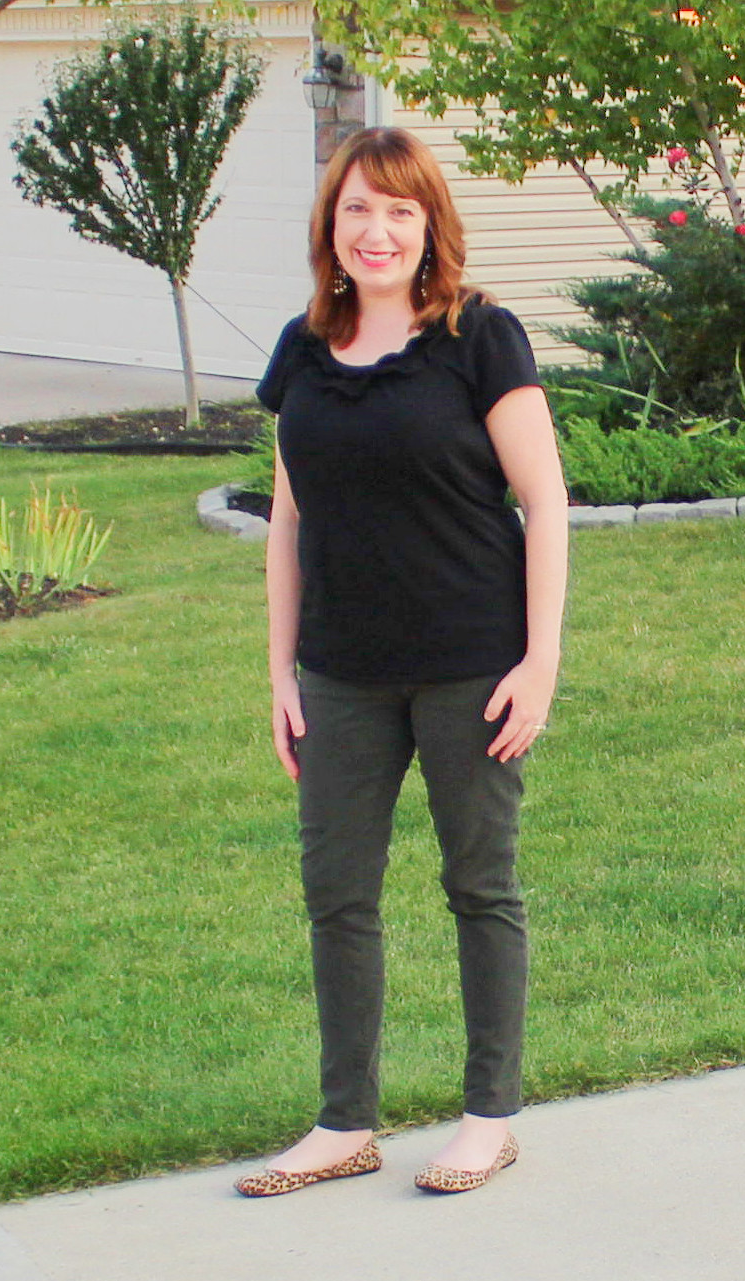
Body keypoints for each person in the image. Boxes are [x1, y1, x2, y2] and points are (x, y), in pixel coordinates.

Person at [234, 126, 569, 1198]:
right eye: (356, 211)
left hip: (471, 664)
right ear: (329, 229)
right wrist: (280, 669)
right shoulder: (302, 350)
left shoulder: (481, 338)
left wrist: (540, 661)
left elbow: (545, 502)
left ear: (429, 227)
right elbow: (288, 520)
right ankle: (344, 1124)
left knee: (479, 886)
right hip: (339, 672)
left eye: (399, 211)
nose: (376, 232)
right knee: (336, 893)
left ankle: (487, 1119)